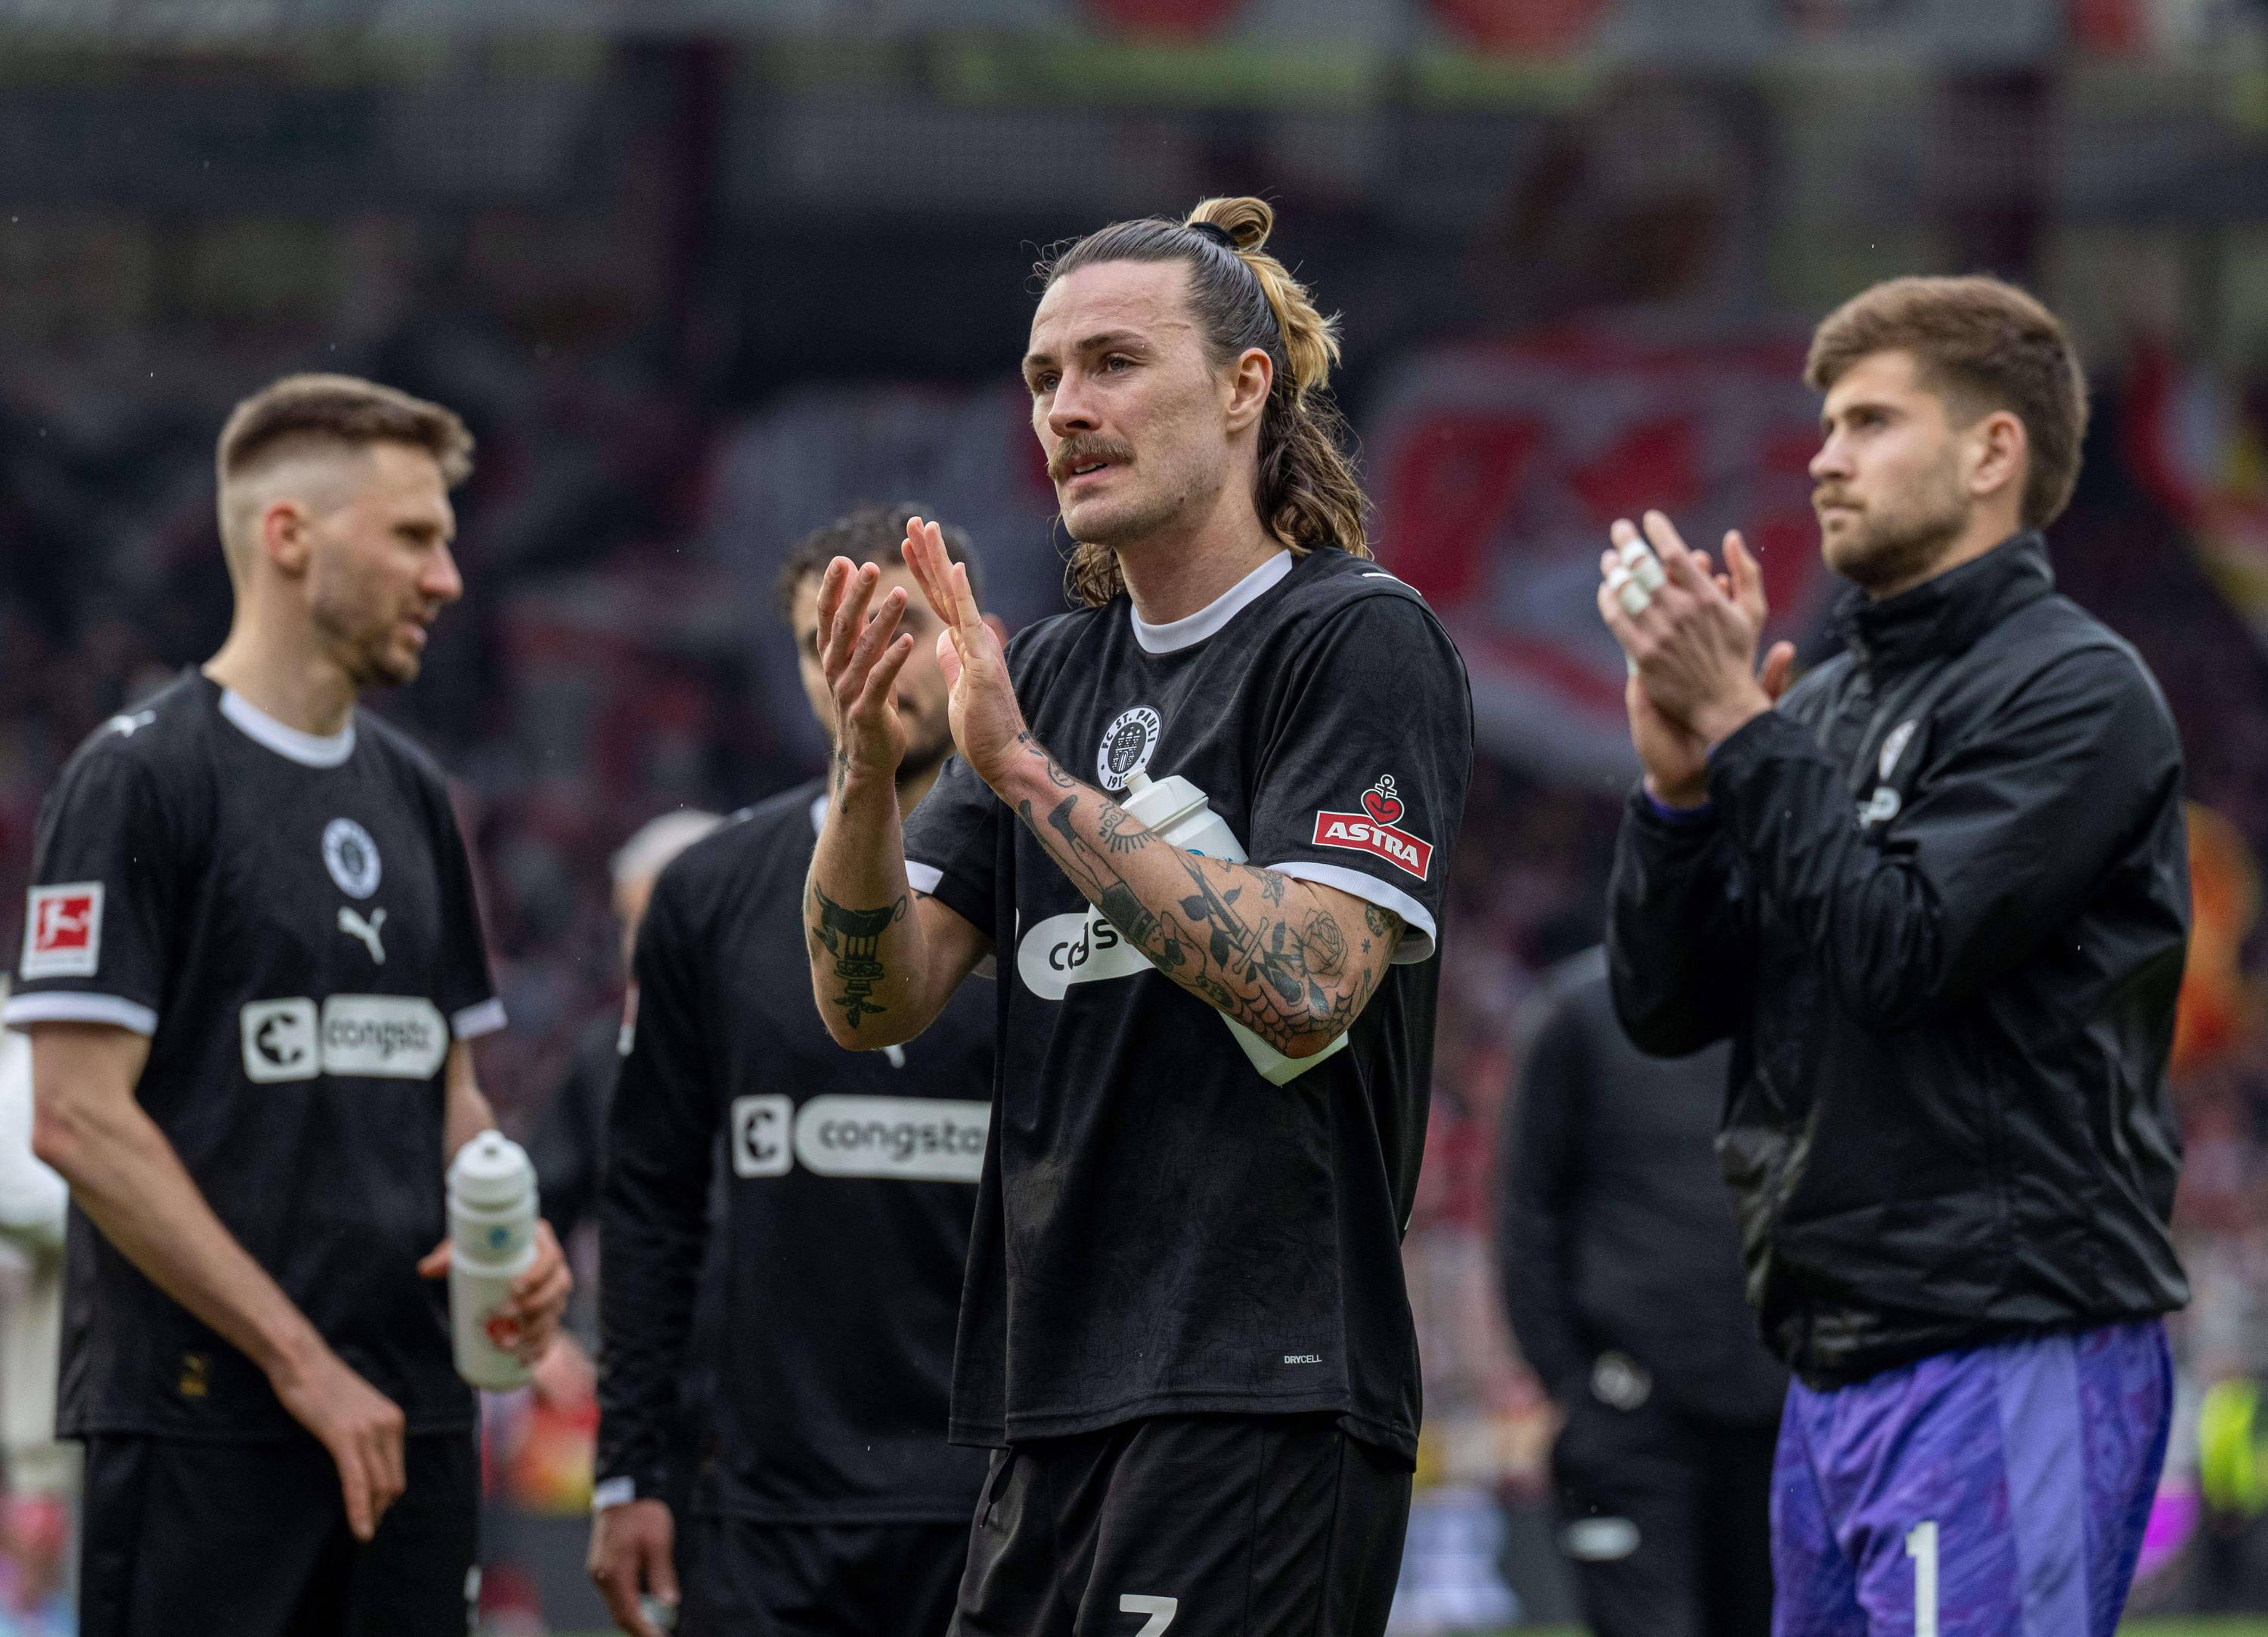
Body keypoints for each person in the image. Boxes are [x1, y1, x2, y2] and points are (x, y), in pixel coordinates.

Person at [804, 199, 1474, 1635]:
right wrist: (864, 779)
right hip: (1044, 1395)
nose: (1065, 409)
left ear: (1245, 387)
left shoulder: (1355, 637)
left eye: (1114, 363)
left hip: (1257, 1395)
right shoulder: (1048, 669)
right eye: (1044, 376)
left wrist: (1027, 776)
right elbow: (873, 999)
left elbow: (1306, 978)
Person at [1598, 277, 2189, 1635]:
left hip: (2007, 1342)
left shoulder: (2077, 690)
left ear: (1993, 452)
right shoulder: (1828, 702)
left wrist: (1744, 731)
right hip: (1832, 1362)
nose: (1824, 457)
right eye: (1827, 426)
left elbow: (1900, 951)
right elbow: (1668, 1007)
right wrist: (1679, 795)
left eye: (1870, 421)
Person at [5, 374, 572, 1637]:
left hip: (411, 1418)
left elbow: (451, 1092)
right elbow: (76, 1118)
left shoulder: (417, 793)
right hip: (207, 1423)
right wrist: (301, 1363)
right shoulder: (137, 778)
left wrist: (512, 1226)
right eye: (414, 536)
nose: (448, 579)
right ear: (287, 536)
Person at [589, 503, 997, 1637]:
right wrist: (629, 1464)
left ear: (973, 637)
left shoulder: (1063, 875)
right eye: (835, 636)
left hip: (1007, 1498)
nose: (871, 661)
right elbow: (652, 1198)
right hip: (766, 1508)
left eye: (905, 626)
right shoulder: (706, 894)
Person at [1498, 947, 1784, 1637]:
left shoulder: (1792, 1005)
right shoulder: (1578, 1013)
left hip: (1777, 1414)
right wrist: (1575, 1382)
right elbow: (1526, 1212)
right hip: (1632, 1416)